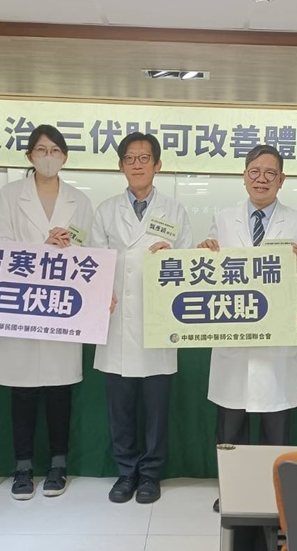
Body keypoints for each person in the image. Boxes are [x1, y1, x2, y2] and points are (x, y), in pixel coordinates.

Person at [199, 144, 297, 512]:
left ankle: (273, 496)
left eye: (270, 173)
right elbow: (207, 270)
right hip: (233, 338)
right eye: (255, 171)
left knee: (274, 428)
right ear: (244, 176)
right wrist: (204, 252)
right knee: (229, 429)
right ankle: (232, 491)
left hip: (274, 341)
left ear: (282, 179)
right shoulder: (222, 219)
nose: (261, 179)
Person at [0, 124, 93, 499]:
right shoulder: (9, 195)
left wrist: (66, 248)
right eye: (41, 150)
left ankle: (58, 466)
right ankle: (22, 468)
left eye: (55, 151)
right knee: (23, 393)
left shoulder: (79, 201)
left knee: (58, 391)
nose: (48, 157)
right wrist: (42, 246)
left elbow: (89, 252)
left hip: (62, 308)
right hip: (20, 307)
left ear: (65, 156)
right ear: (29, 155)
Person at [90, 132, 193, 504]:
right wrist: (101, 291)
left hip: (157, 324)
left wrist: (172, 257)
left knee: (156, 410)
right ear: (121, 166)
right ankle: (125, 472)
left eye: (144, 158)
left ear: (157, 165)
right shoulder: (105, 210)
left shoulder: (175, 211)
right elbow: (95, 262)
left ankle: (150, 475)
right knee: (120, 409)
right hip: (116, 321)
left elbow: (188, 264)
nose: (137, 164)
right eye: (130, 158)